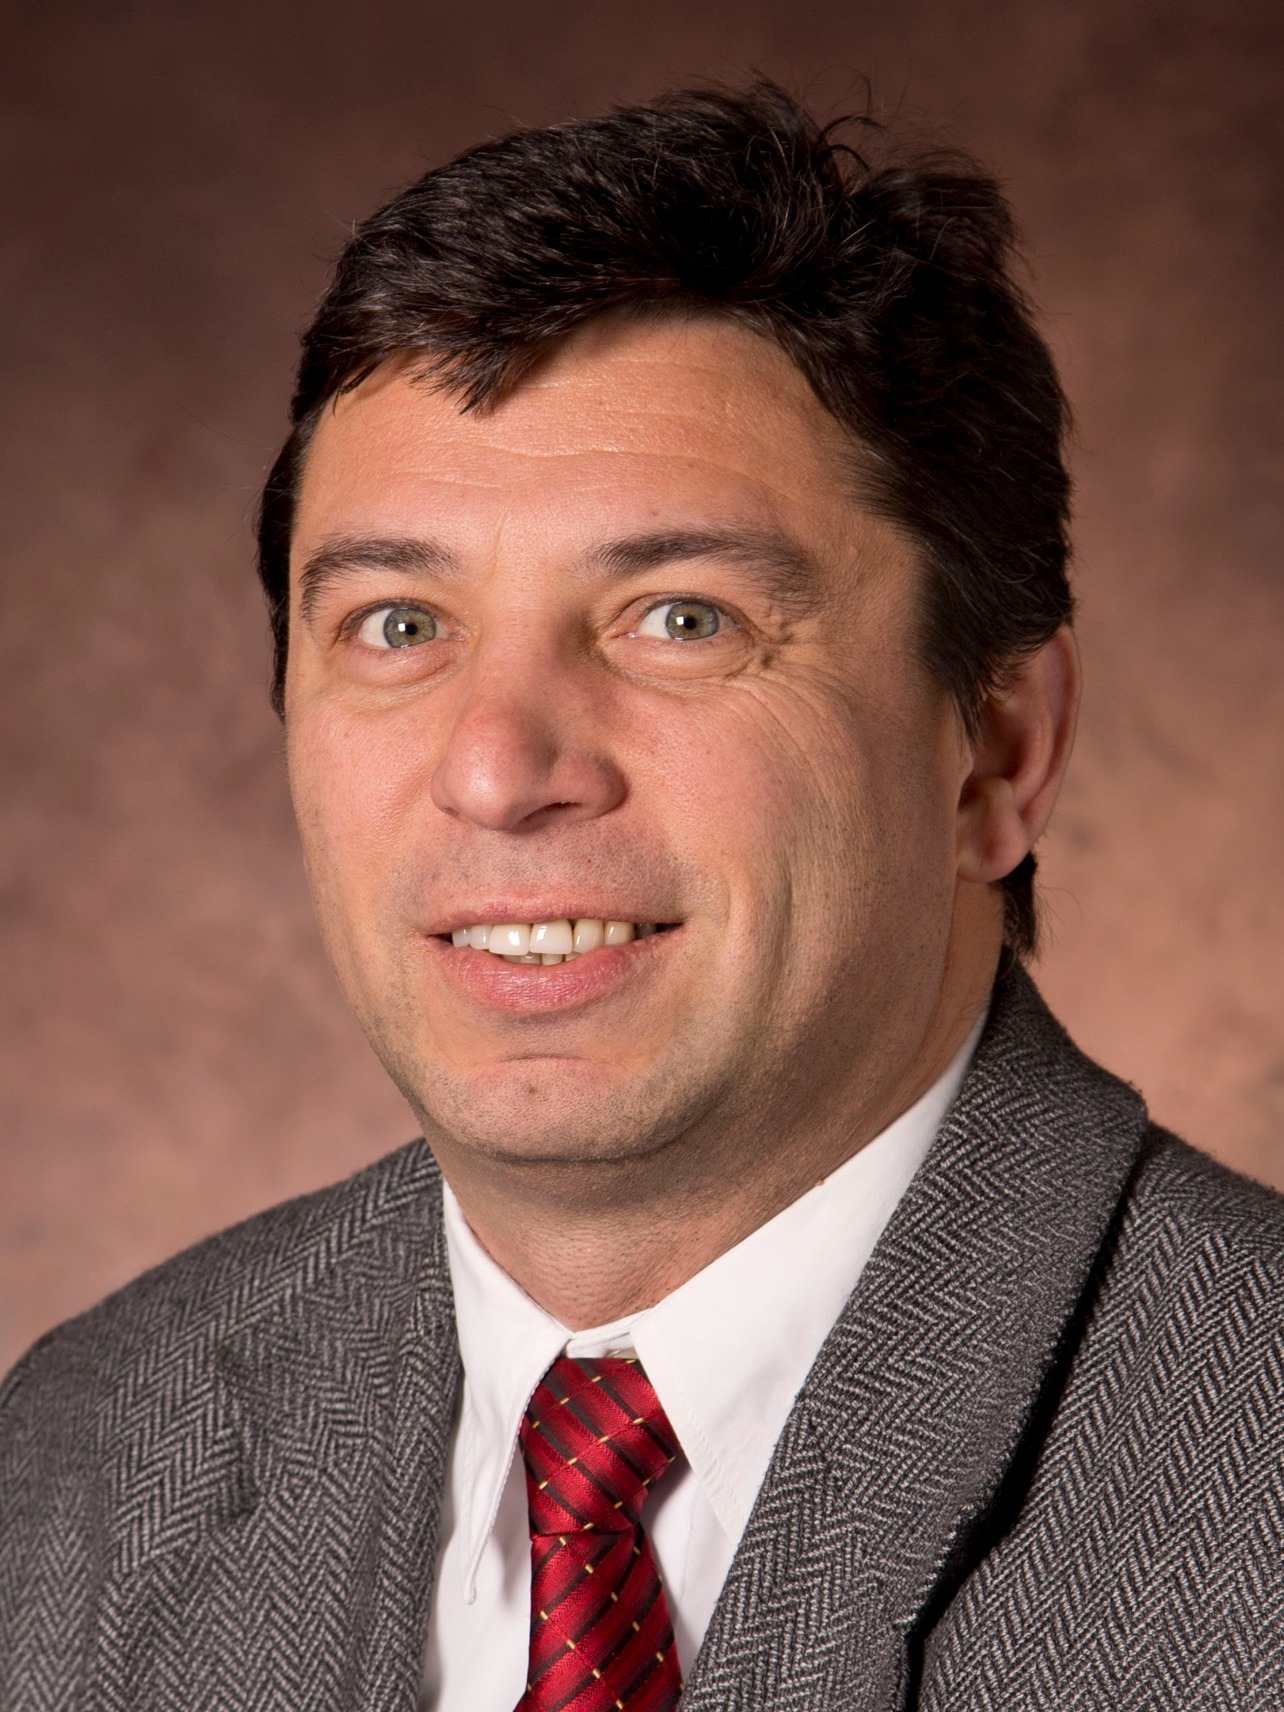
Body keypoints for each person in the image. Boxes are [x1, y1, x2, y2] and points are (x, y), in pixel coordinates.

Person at [2, 81, 1281, 1712]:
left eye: (680, 619)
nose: (498, 769)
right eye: (399, 626)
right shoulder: (83, 1461)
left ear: (996, 753)